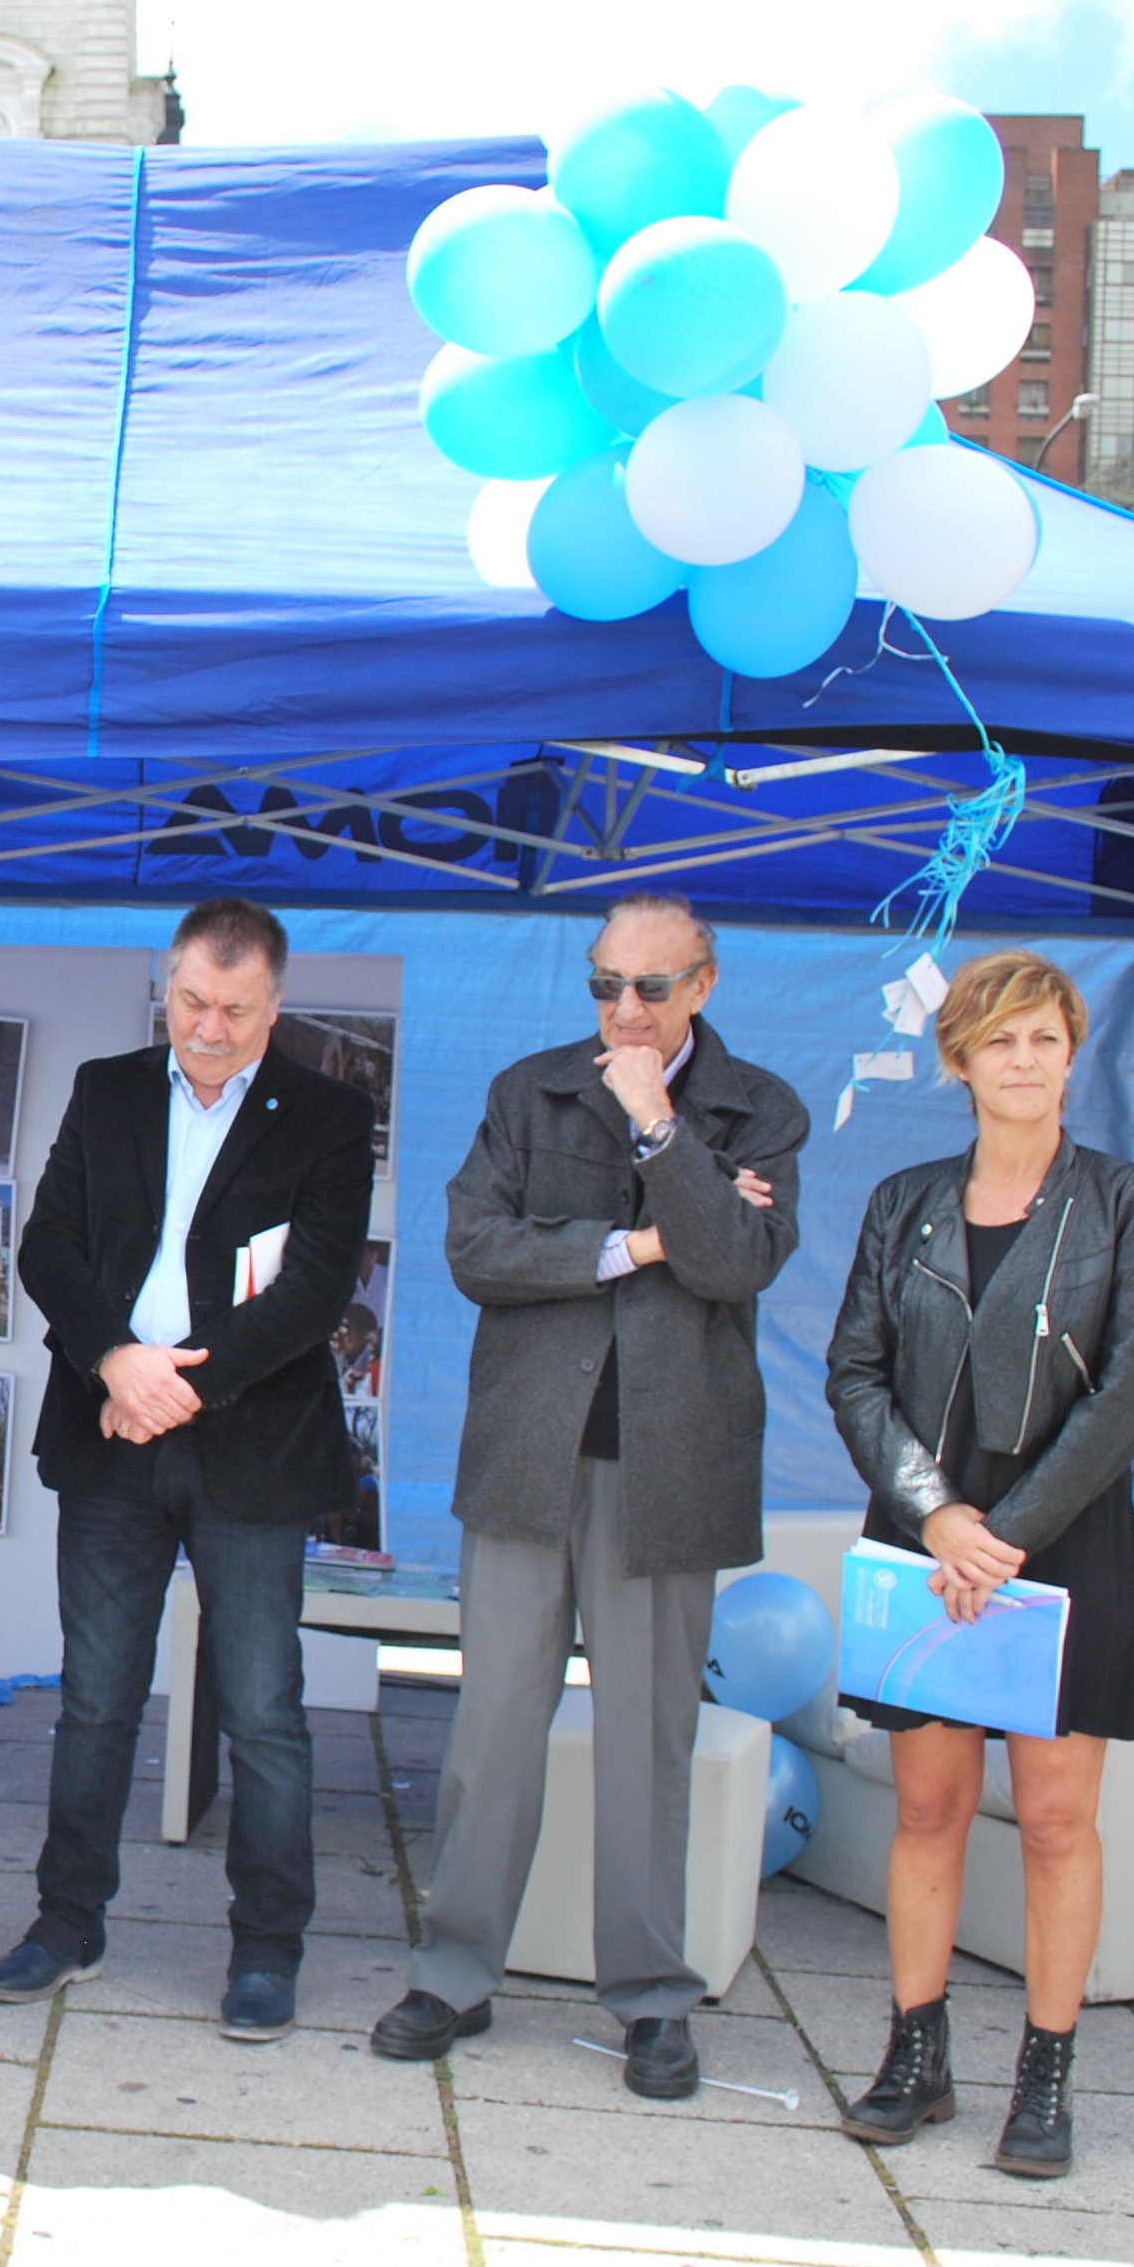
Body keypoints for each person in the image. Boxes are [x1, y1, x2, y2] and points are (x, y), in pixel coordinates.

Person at [381, 894, 805, 2099]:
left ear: (701, 986)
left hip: (671, 1469)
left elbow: (738, 1262)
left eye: (648, 988)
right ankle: (452, 1975)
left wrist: (662, 1131)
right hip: (528, 1456)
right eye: (603, 984)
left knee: (647, 1742)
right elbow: (477, 1251)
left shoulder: (758, 1109)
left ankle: (652, 1998)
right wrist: (640, 1243)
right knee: (490, 1732)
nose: (622, 1009)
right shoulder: (528, 1092)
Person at [0, 897, 378, 2042]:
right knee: (94, 1698)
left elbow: (314, 1290)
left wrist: (177, 1387)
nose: (207, 1029)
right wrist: (115, 1360)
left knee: (261, 1709)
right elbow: (47, 1246)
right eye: (191, 1002)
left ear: (275, 1005)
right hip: (108, 1432)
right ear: (165, 987)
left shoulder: (326, 1114)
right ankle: (67, 1922)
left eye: (234, 1010)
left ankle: (266, 1947)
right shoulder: (108, 1088)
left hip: (248, 1444)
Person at [824, 948, 1134, 2181]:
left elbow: (1124, 1394)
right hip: (925, 1539)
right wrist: (936, 1517)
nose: (1022, 1061)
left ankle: (1045, 2075)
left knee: (1053, 1822)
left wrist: (1006, 1532)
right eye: (999, 1040)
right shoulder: (902, 1203)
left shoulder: (1125, 1204)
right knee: (926, 1809)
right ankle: (914, 2056)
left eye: (1043, 1038)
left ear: (1071, 1054)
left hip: (1061, 1541)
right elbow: (854, 1374)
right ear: (958, 1060)